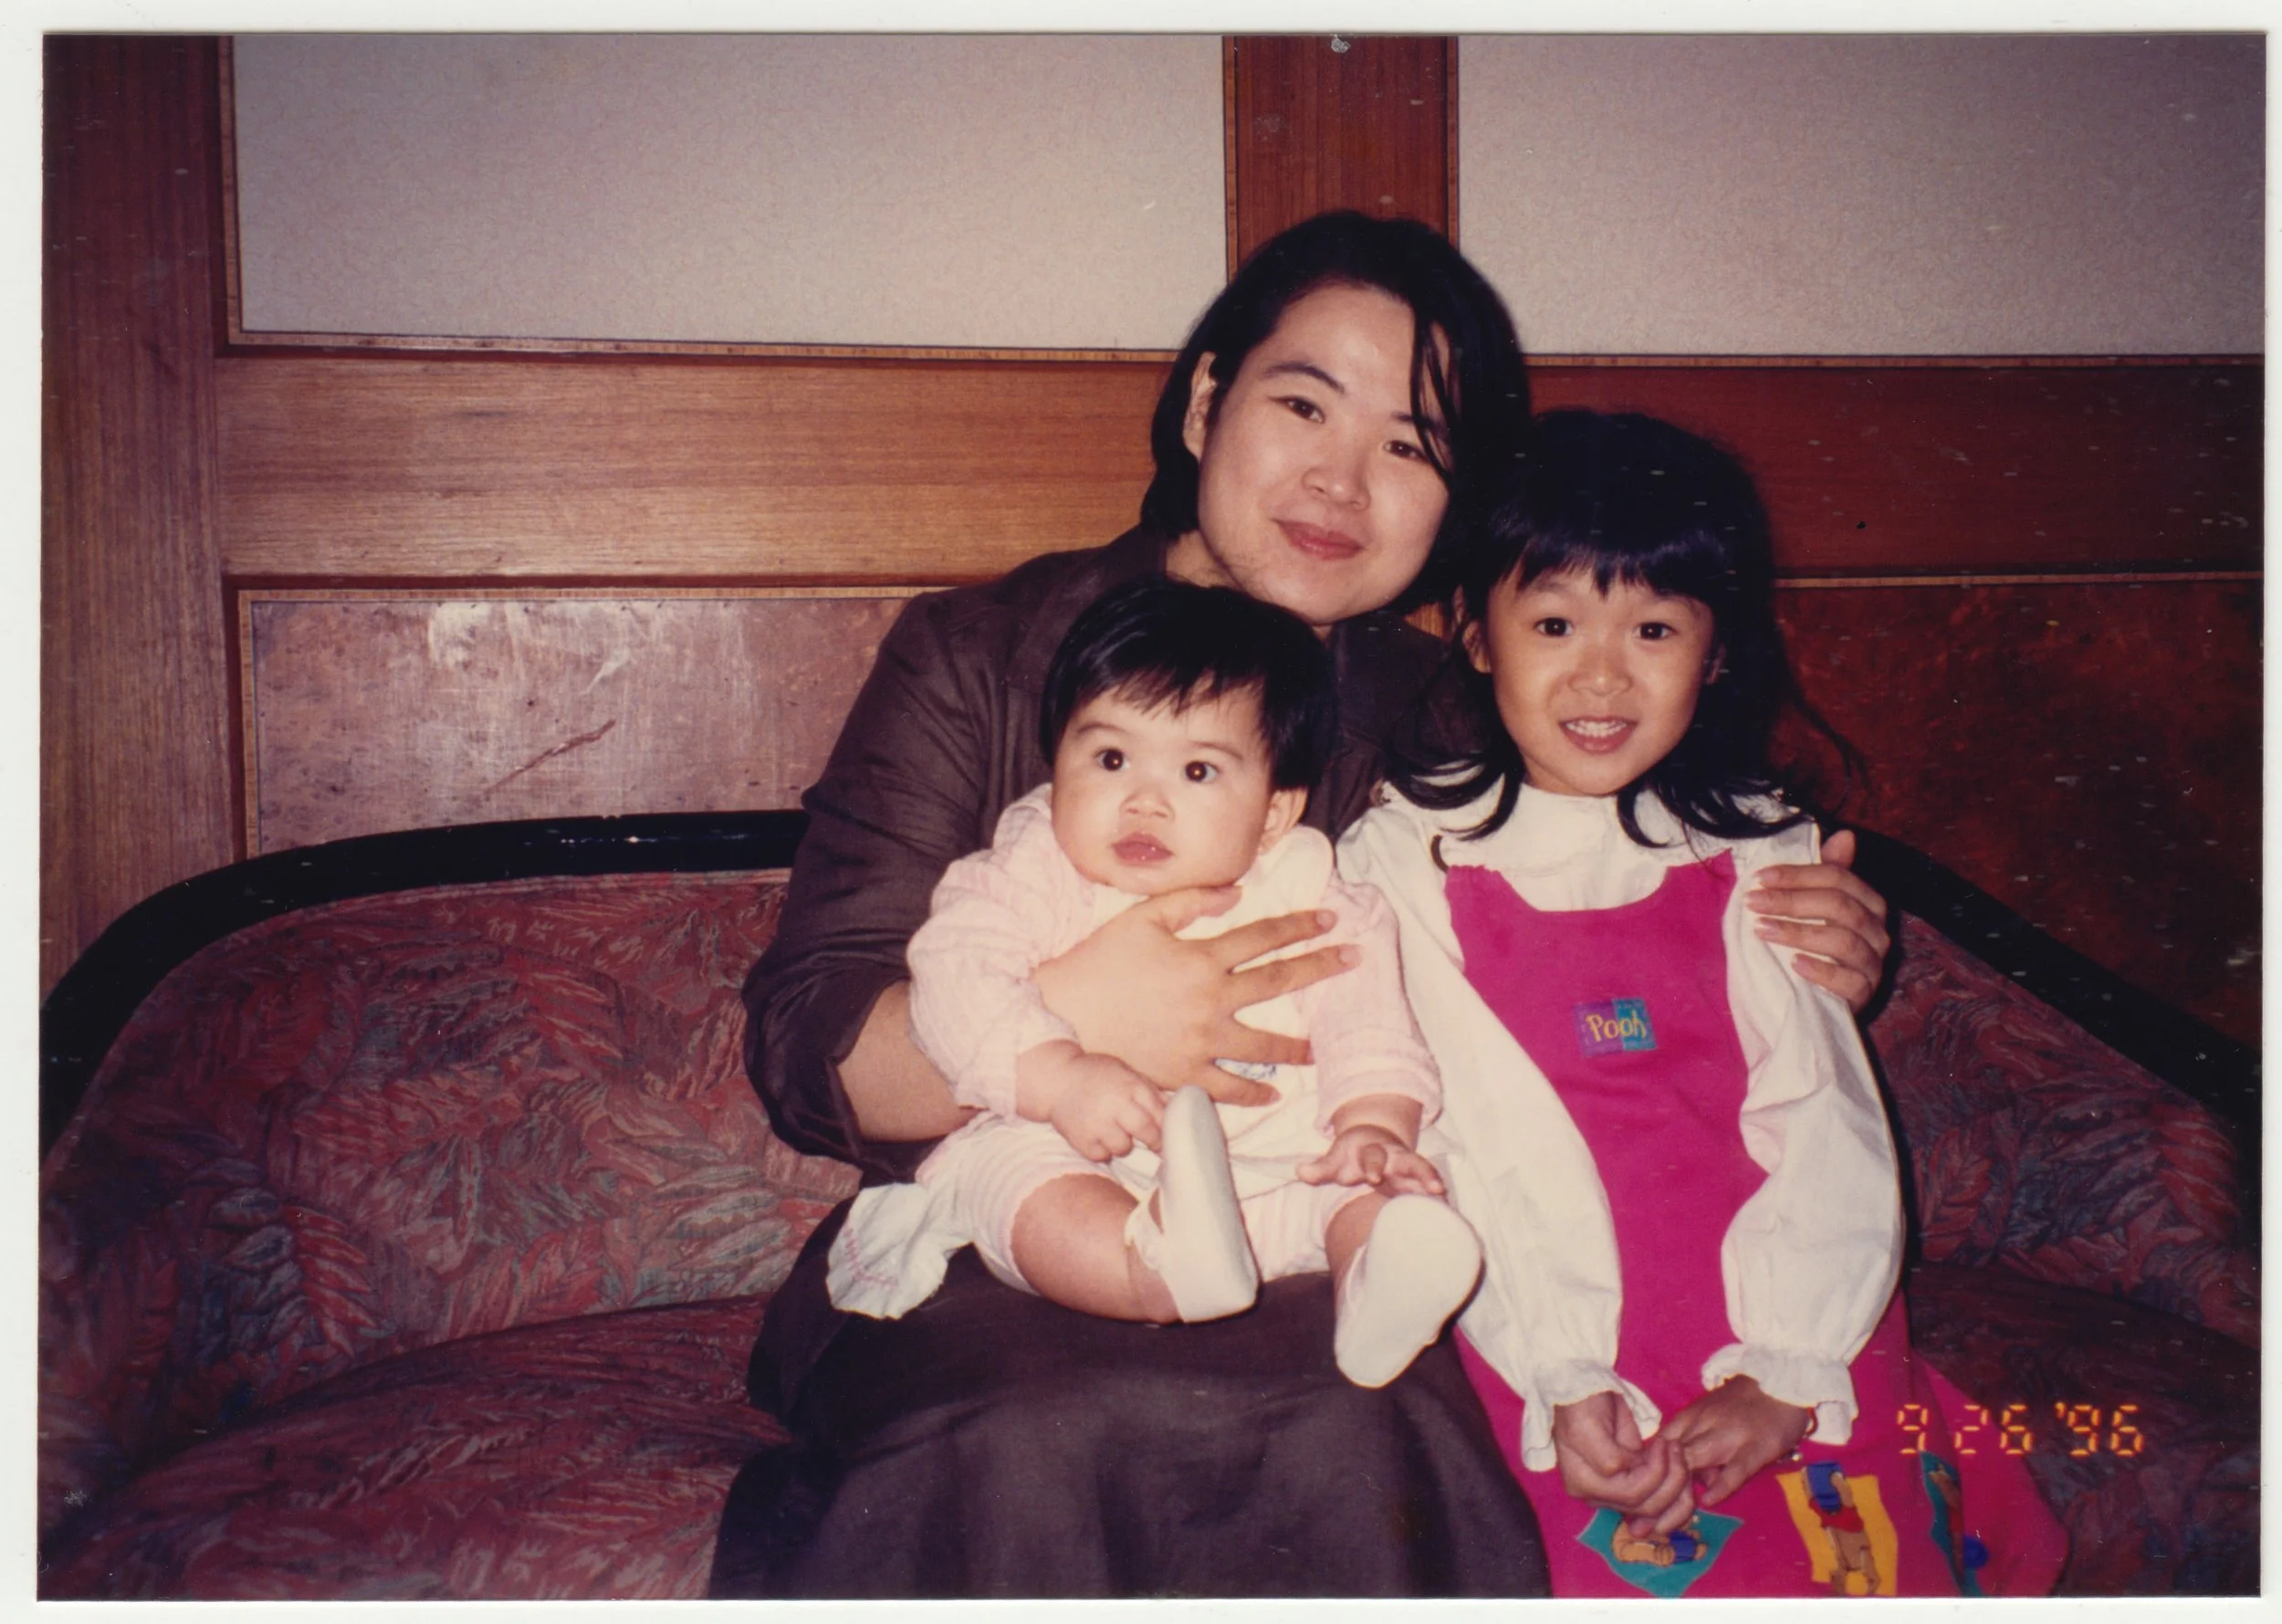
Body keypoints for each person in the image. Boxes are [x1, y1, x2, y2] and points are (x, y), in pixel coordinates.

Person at [712, 213, 1893, 1598]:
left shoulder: (1444, 713)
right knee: (1052, 1424)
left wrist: (1807, 933)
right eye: (1304, 405)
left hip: (1310, 1221)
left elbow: (1615, 897)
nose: (1342, 479)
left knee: (1374, 1417)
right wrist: (1082, 1012)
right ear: (1205, 404)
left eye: (1410, 446)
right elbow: (808, 1048)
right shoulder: (976, 655)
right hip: (993, 1238)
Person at [1341, 409, 2067, 1598]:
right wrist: (1563, 1369)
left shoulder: (1757, 852)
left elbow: (1825, 1118)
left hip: (1779, 1303)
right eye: (1555, 623)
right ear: (1476, 631)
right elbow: (1470, 1124)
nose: (1601, 674)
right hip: (1532, 1311)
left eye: (1655, 628)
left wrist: (1785, 1369)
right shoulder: (1405, 856)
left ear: (1716, 650)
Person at [831, 579, 1481, 1393]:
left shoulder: (1318, 894)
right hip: (1086, 1156)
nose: (1143, 800)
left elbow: (1372, 1023)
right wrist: (1058, 1075)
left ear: (1274, 814)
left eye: (1198, 770)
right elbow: (955, 976)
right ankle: (1155, 1270)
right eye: (1110, 759)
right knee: (1014, 1176)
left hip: (1284, 1170)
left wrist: (1372, 1125)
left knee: (1370, 1188)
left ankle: (1373, 1283)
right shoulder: (1032, 871)